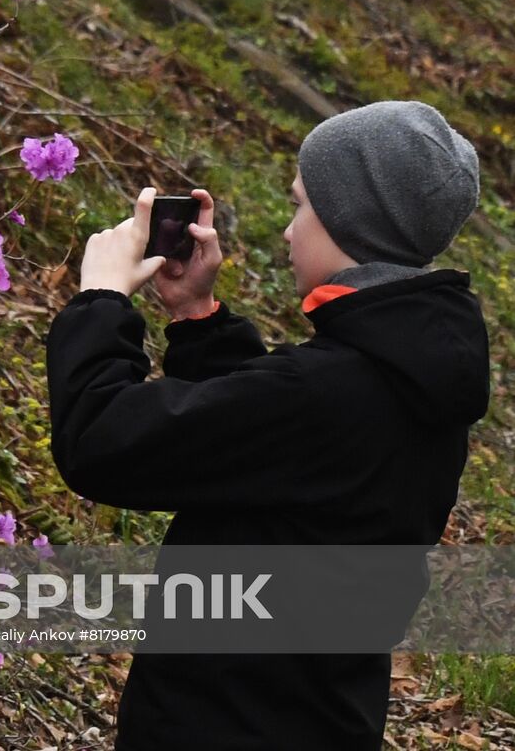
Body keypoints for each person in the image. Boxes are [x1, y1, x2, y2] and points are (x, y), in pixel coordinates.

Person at [45, 100, 491, 750]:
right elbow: (274, 453)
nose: (288, 231)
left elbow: (99, 440)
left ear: (349, 221)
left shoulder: (328, 393)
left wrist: (101, 302)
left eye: (301, 204)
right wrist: (200, 318)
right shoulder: (415, 380)